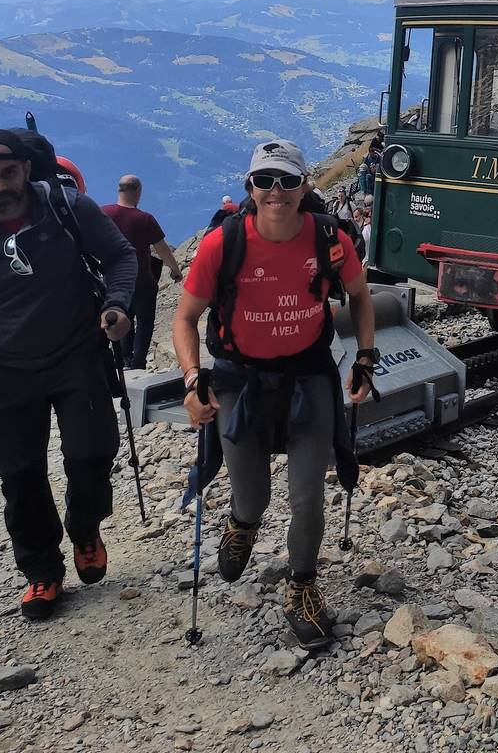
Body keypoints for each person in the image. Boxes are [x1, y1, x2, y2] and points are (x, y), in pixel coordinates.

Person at [0, 129, 136, 620]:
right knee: (19, 476)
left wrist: (119, 305)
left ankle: (84, 529)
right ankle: (42, 572)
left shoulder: (66, 207)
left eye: (9, 173)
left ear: (26, 172)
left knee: (92, 453)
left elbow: (120, 256)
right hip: (2, 368)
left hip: (78, 354)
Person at [173, 140, 378, 649]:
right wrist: (192, 379)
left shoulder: (330, 241)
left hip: (307, 377)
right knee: (255, 496)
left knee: (307, 498)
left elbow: (359, 296)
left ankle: (302, 586)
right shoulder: (224, 244)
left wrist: (366, 360)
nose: (276, 191)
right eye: (264, 181)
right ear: (250, 188)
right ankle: (241, 523)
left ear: (306, 186)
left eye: (287, 181)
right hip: (239, 380)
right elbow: (184, 317)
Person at [102, 175, 184, 370]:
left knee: (122, 316)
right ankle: (138, 362)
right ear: (138, 191)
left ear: (119, 190)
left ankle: (123, 359)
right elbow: (162, 249)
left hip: (113, 278)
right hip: (142, 277)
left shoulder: (103, 213)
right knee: (145, 321)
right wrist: (175, 270)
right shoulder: (145, 218)